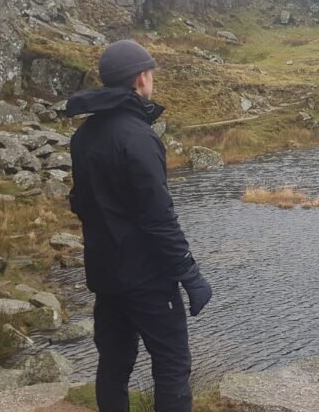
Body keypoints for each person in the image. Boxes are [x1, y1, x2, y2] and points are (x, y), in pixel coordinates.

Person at [64, 40, 212, 412]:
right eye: (151, 74)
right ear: (140, 78)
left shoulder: (84, 136)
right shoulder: (138, 136)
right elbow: (158, 217)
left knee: (113, 364)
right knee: (172, 366)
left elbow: (80, 203)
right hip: (148, 280)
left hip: (106, 277)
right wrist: (190, 276)